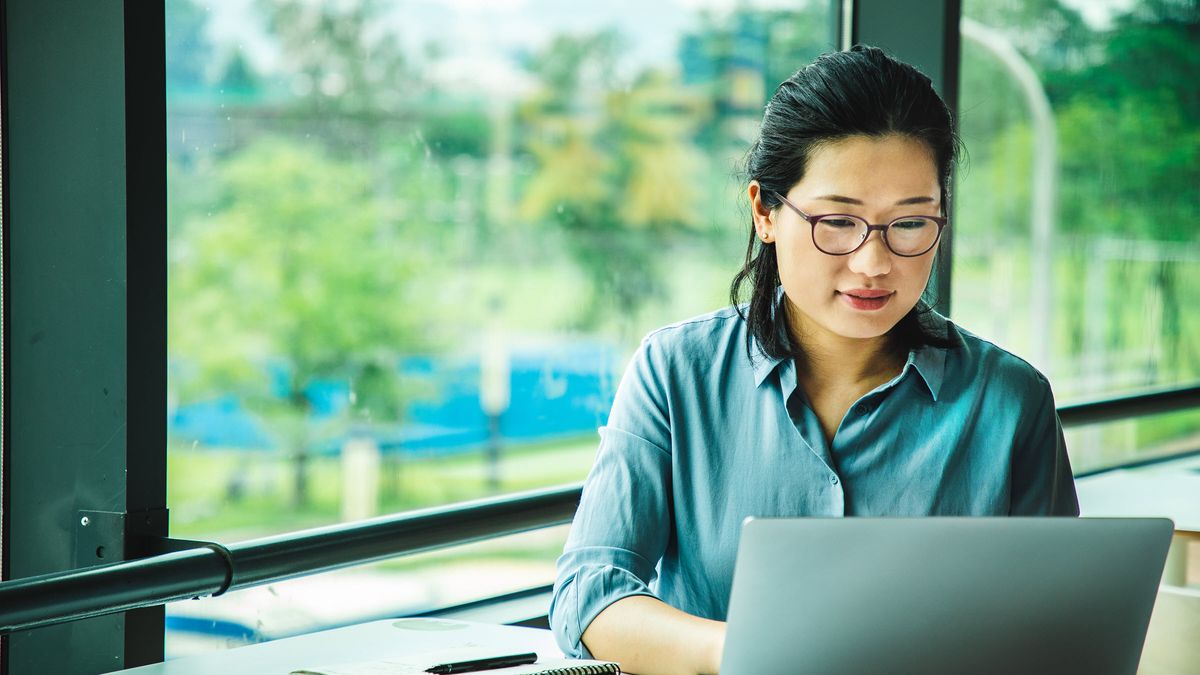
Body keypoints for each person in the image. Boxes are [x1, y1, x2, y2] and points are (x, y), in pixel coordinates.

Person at [548, 45, 1080, 675]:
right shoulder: (675, 371)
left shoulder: (1011, 400)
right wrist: (744, 651)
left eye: (910, 224)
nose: (874, 263)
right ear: (765, 211)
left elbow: (1064, 625)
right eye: (837, 221)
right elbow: (590, 593)